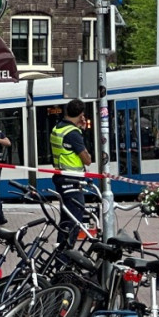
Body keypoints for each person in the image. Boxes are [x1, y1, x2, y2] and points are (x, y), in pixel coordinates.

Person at [49, 99, 93, 245]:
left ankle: (61, 255)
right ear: (81, 115)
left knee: (66, 219)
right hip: (72, 182)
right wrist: (82, 133)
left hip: (61, 178)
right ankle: (65, 258)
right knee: (74, 221)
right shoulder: (73, 134)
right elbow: (87, 160)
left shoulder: (57, 129)